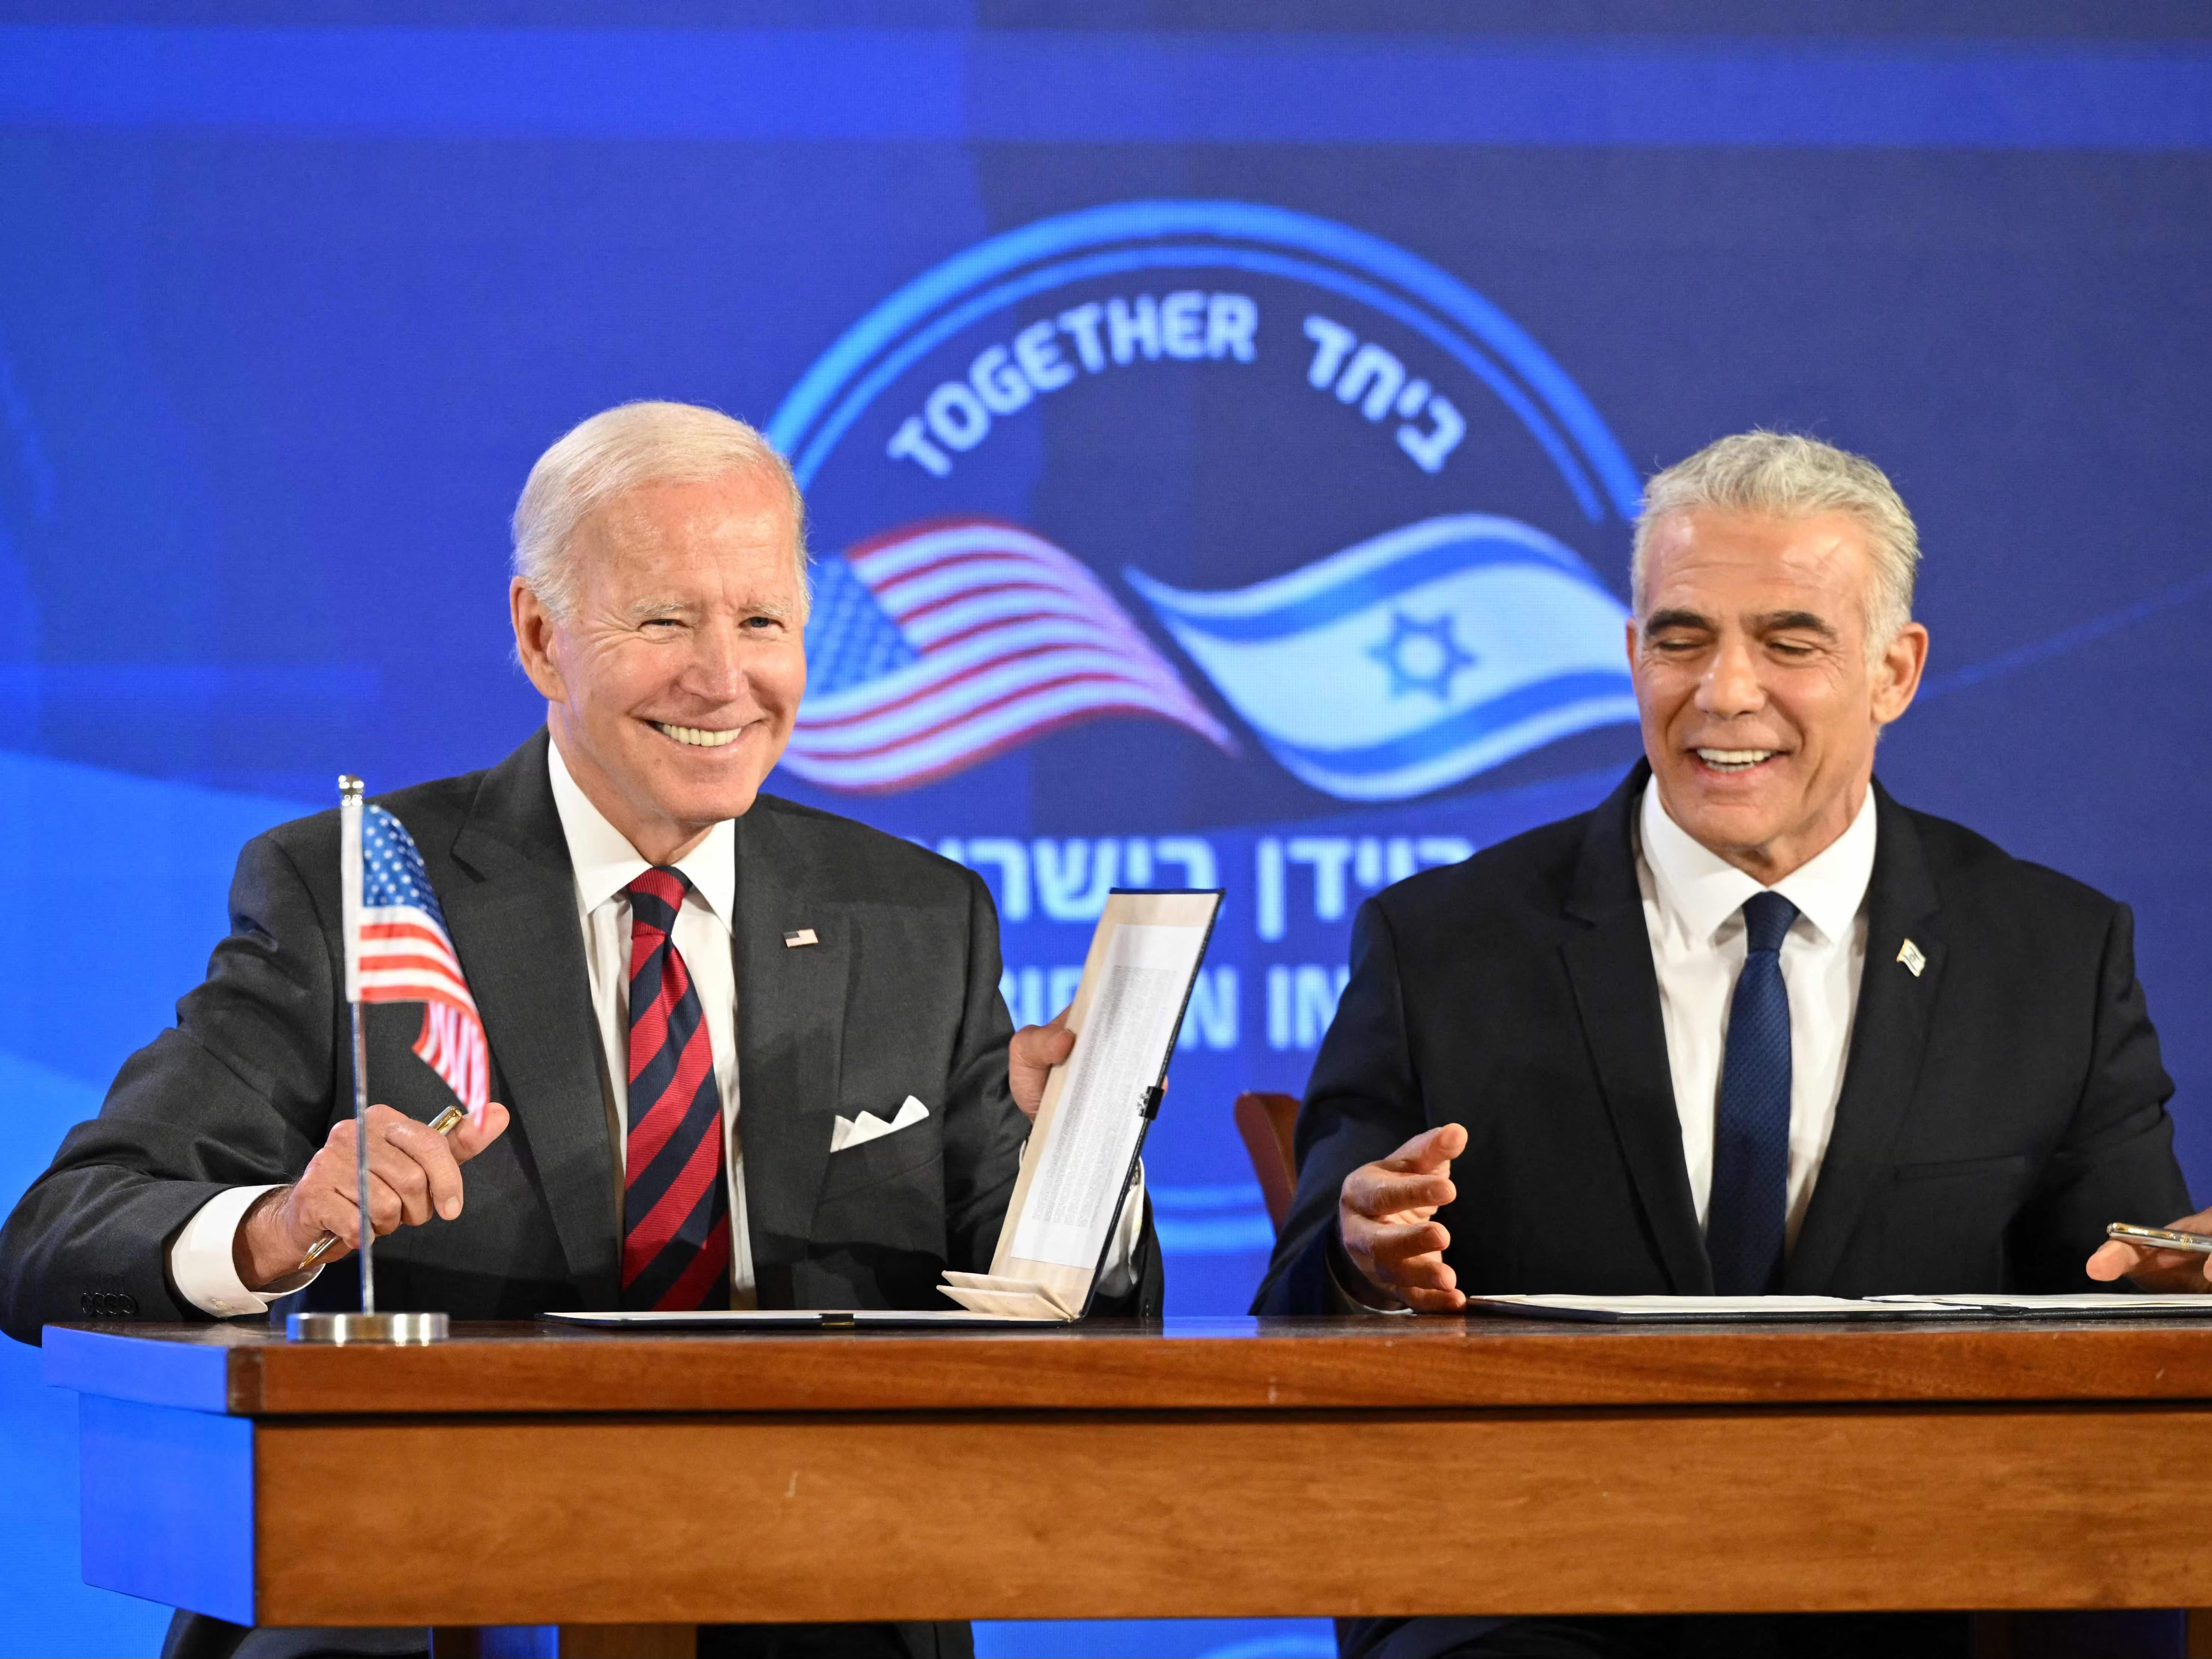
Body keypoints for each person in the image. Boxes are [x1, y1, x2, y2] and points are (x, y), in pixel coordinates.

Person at [0, 401, 1160, 1659]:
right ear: (541, 635)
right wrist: (282, 1225)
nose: (724, 679)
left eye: (761, 620)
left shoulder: (917, 916)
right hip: (428, 1589)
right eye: (665, 620)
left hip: (819, 1592)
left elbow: (1078, 1321)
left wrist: (1081, 1161)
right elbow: (57, 1239)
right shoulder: (362, 889)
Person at [1252, 430, 2203, 1659]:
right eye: (1681, 636)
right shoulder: (1444, 944)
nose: (1724, 691)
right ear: (1631, 654)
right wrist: (1359, 1260)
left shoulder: (2051, 953)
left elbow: (2120, 1301)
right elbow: (1294, 1308)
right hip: (1544, 1585)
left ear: (1893, 671)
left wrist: (2179, 1280)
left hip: (1934, 1582)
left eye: (1790, 640)